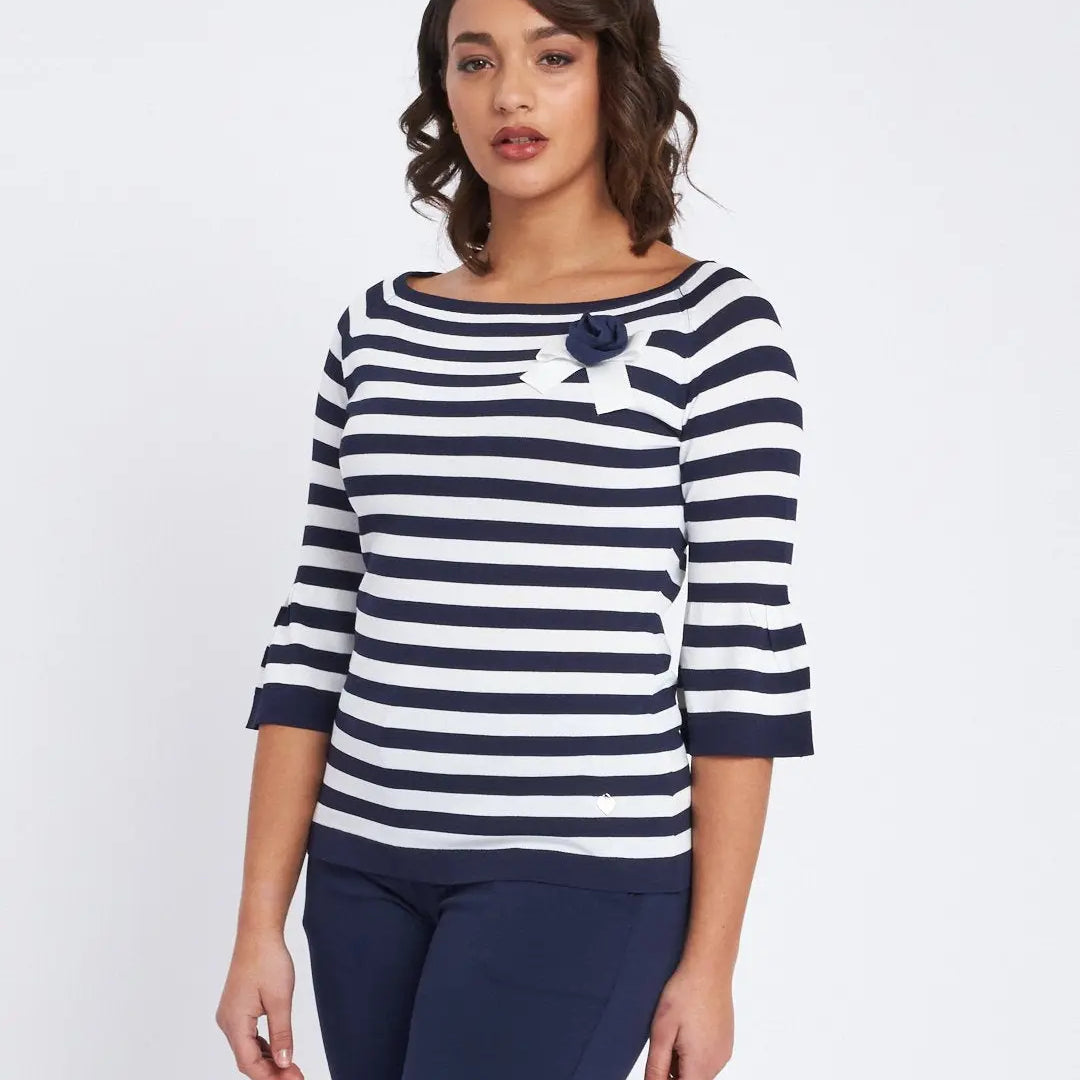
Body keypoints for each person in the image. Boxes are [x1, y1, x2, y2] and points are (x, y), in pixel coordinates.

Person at [215, 0, 814, 1077]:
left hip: (579, 874)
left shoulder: (715, 328)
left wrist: (712, 962)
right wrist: (259, 919)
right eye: (475, 61)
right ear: (443, 90)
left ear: (616, 77)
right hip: (361, 870)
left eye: (554, 56)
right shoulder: (379, 329)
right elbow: (315, 629)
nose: (513, 94)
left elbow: (741, 657)